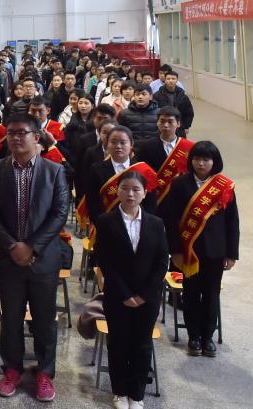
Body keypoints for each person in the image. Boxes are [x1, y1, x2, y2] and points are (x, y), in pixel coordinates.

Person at [0, 112, 69, 402]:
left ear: (36, 137)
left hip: (42, 258)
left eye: (22, 132)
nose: (16, 138)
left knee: (44, 319)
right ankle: (12, 369)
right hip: (8, 258)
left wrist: (31, 246)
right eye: (11, 133)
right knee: (11, 317)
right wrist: (12, 246)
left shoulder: (54, 171)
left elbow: (59, 214)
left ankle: (44, 373)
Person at [95, 170, 168, 409]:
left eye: (136, 189)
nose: (130, 194)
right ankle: (119, 391)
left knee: (142, 344)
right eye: (125, 188)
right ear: (117, 191)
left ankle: (137, 394)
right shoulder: (105, 222)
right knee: (118, 343)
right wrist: (125, 294)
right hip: (118, 296)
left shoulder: (156, 223)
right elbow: (105, 261)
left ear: (145, 193)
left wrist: (143, 295)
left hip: (148, 297)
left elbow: (161, 262)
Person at [165, 141, 238, 358]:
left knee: (211, 294)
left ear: (215, 162)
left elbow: (232, 221)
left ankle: (208, 337)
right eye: (197, 159)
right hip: (189, 250)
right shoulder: (179, 184)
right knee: (191, 293)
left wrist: (231, 253)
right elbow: (171, 220)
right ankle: (194, 336)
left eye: (206, 159)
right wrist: (175, 251)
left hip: (216, 251)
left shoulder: (224, 186)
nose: (201, 163)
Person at [152, 70, 193, 136]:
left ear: (177, 80)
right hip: (163, 126)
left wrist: (186, 126)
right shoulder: (157, 95)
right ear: (165, 80)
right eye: (168, 79)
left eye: (173, 79)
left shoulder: (183, 96)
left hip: (179, 127)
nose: (171, 81)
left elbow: (189, 112)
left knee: (179, 142)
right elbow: (153, 112)